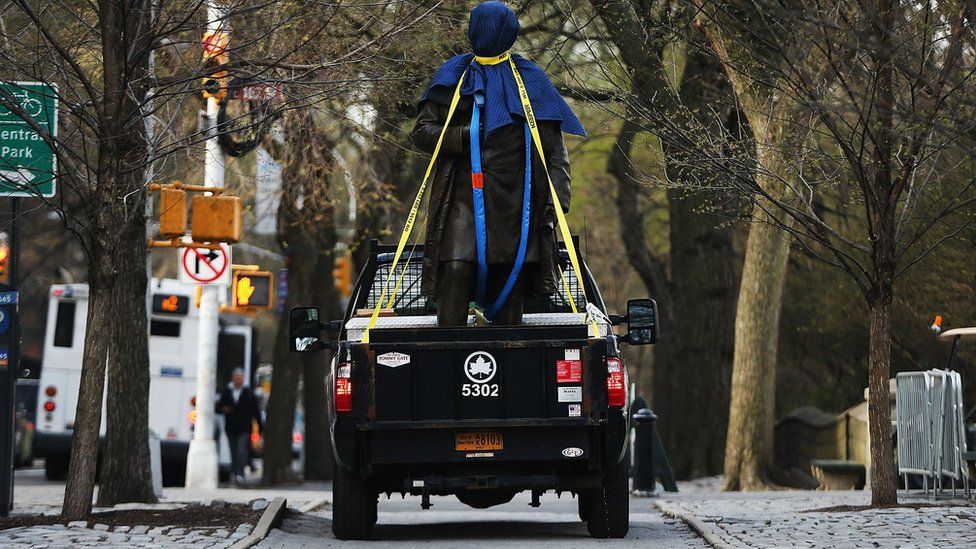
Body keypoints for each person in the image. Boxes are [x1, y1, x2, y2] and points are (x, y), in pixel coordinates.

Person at [411, 1, 586, 327]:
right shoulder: (454, 75)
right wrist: (465, 135)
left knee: (510, 278)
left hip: (516, 203)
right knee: (456, 267)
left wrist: (556, 206)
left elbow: (555, 152)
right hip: (463, 196)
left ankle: (509, 350)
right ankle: (447, 349)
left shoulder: (531, 80)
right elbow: (422, 132)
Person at [217, 367, 262, 485]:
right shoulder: (227, 391)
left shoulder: (249, 393)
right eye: (236, 378)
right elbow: (219, 406)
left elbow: (255, 410)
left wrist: (260, 426)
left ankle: (240, 473)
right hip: (231, 427)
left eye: (240, 378)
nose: (238, 381)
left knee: (242, 450)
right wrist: (224, 409)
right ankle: (235, 472)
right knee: (233, 451)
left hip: (244, 427)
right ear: (233, 379)